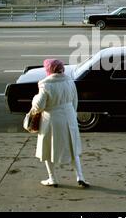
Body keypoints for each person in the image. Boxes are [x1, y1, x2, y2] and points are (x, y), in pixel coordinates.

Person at [31, 59, 90, 188]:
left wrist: (34, 100)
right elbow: (75, 100)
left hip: (51, 119)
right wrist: (72, 114)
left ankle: (52, 178)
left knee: (47, 148)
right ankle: (80, 176)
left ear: (49, 70)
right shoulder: (69, 81)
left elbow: (39, 106)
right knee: (72, 146)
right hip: (69, 116)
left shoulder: (45, 84)